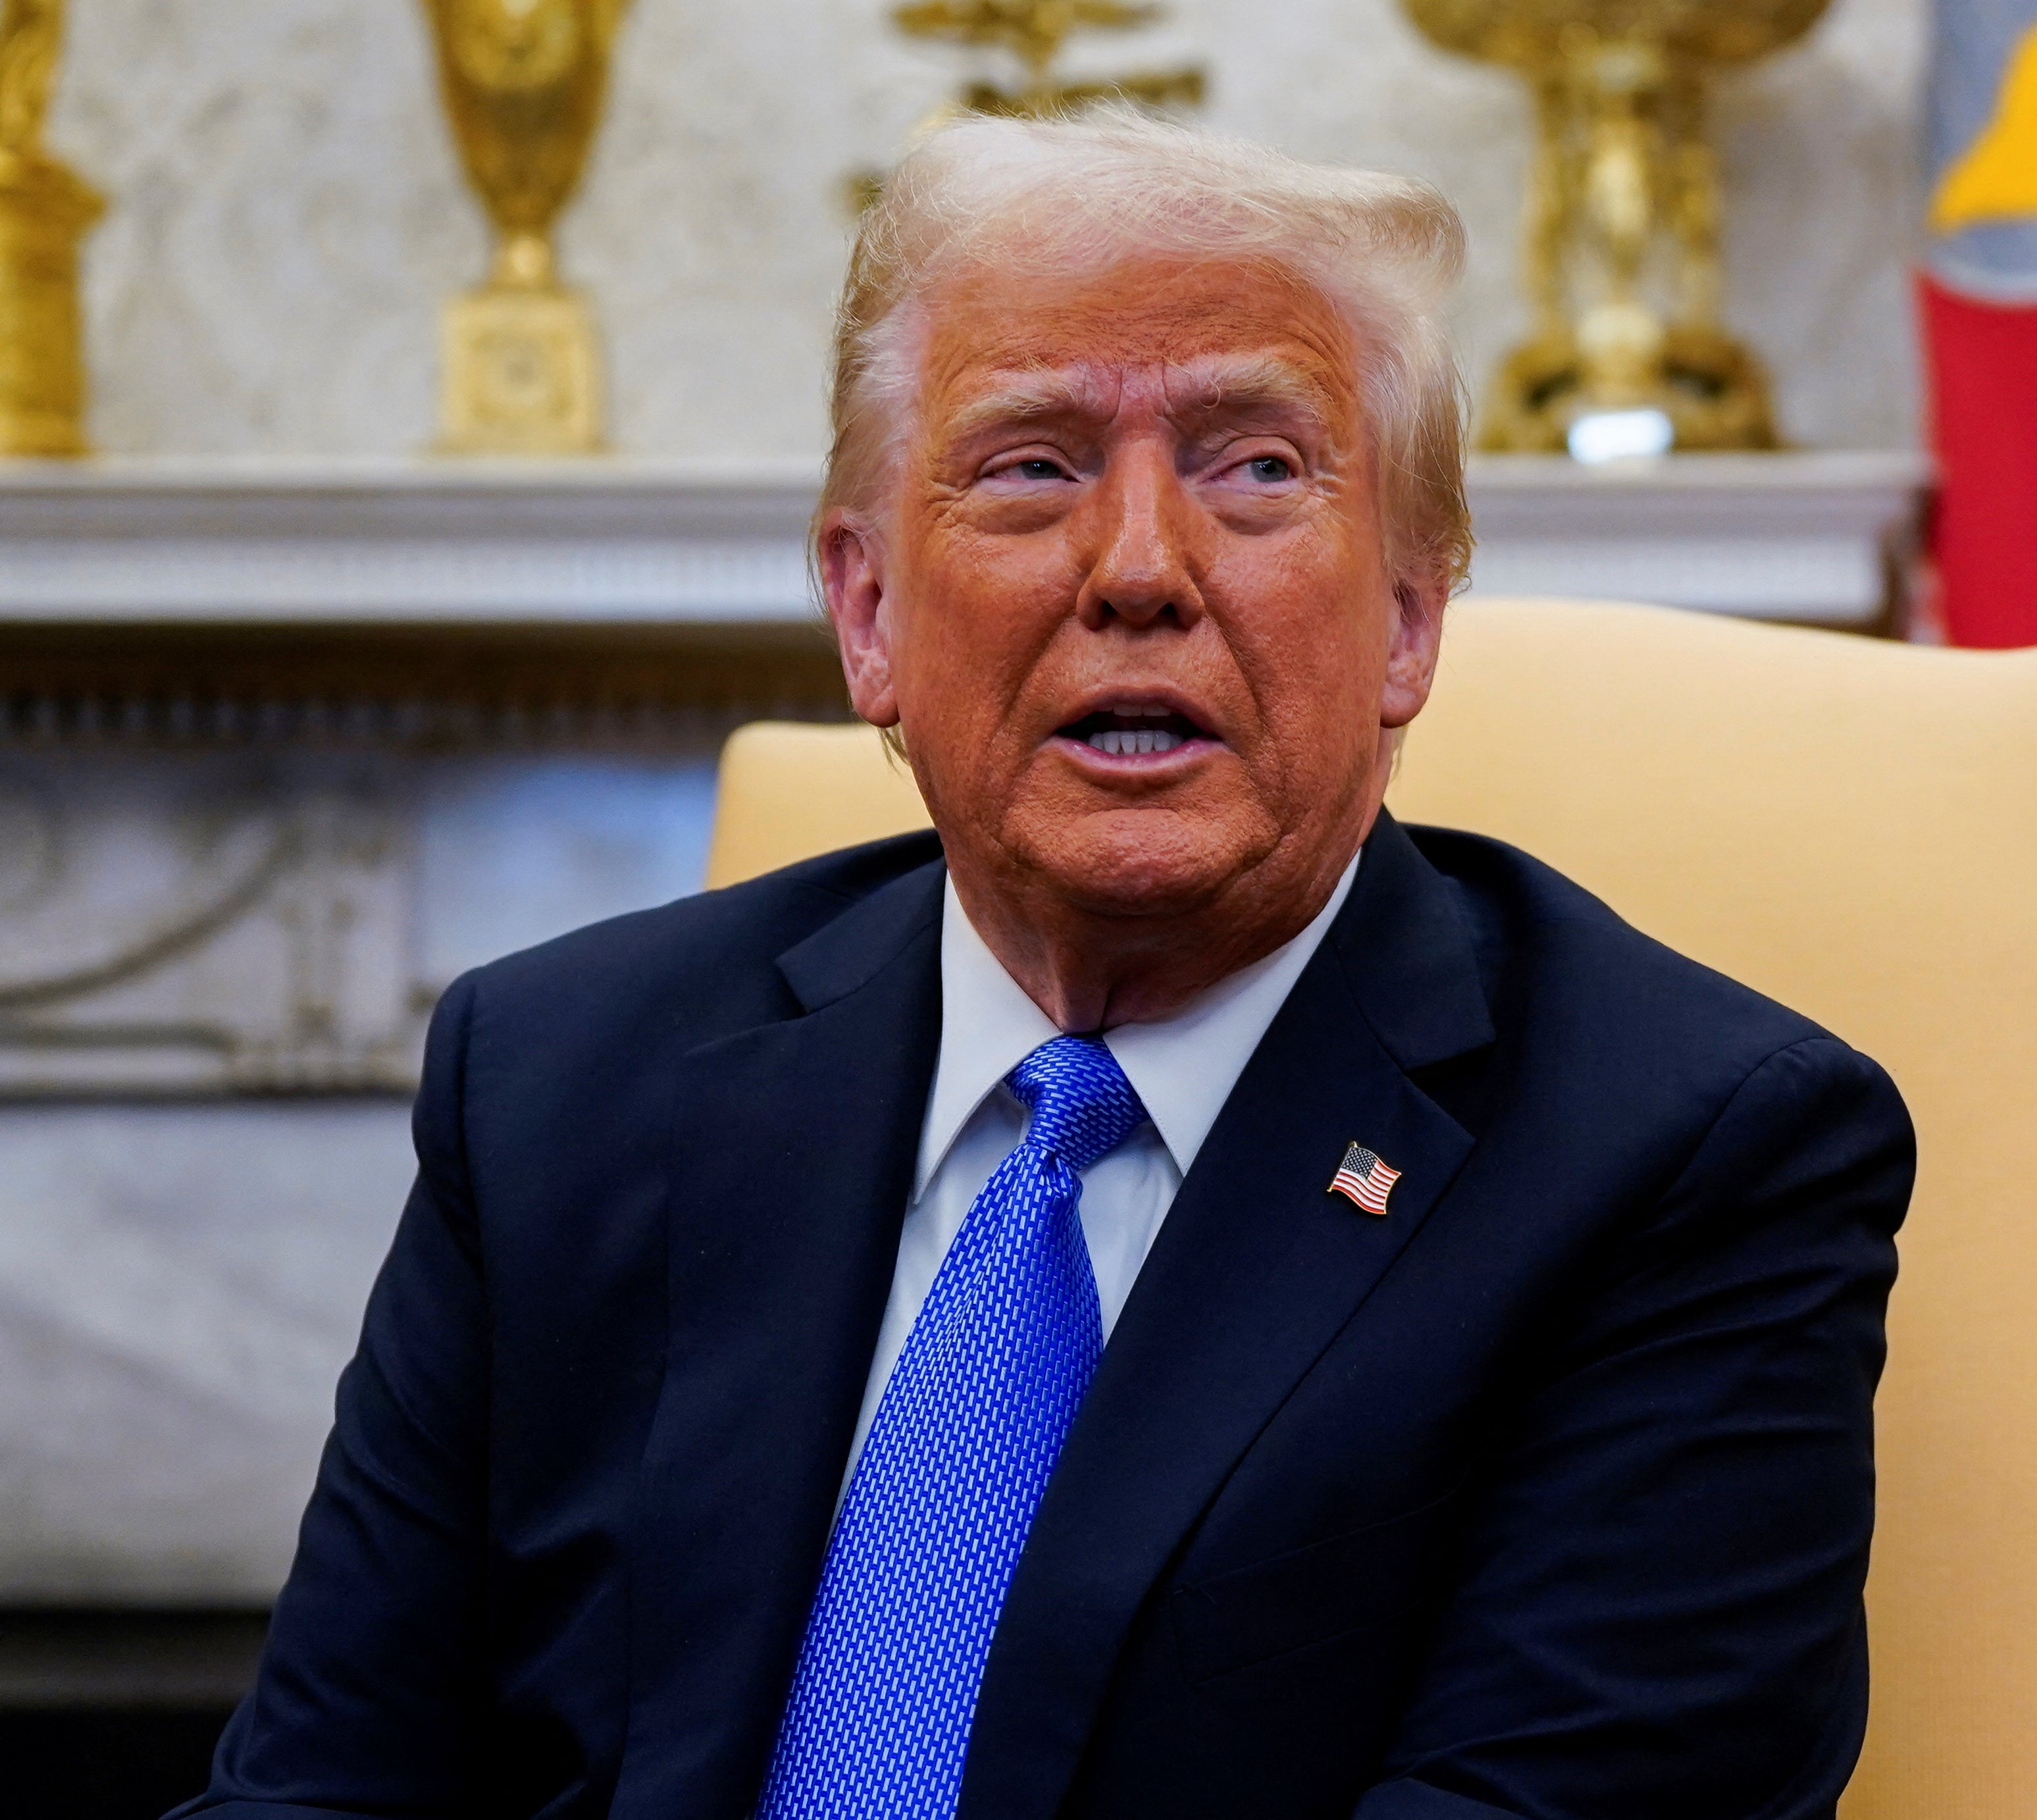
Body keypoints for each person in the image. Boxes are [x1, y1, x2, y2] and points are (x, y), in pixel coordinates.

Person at [179, 112, 1913, 1820]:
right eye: (1031, 466)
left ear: (1406, 618)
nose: (1140, 570)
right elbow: (323, 1791)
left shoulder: (1685, 1161)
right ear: (868, 615)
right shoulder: (559, 1080)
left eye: (1255, 467)